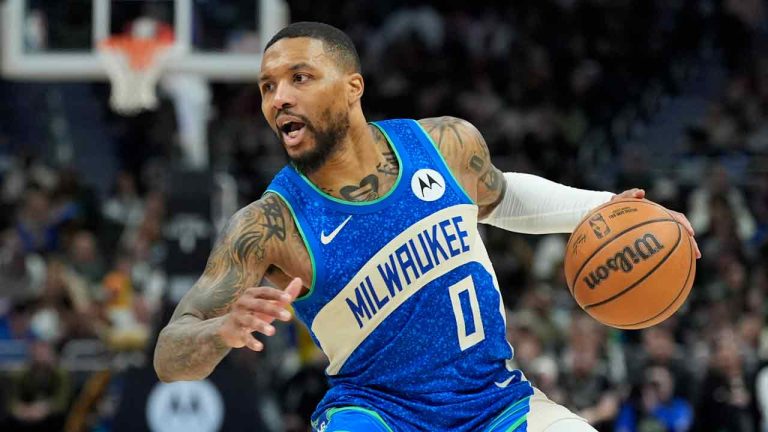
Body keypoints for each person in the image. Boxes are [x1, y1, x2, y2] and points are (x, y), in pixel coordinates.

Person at [153, 22, 700, 432]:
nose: (281, 98)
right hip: (378, 413)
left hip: (496, 402)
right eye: (268, 87)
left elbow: (503, 196)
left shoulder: (443, 144)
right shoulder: (269, 224)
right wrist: (217, 332)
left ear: (352, 87)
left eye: (300, 78)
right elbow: (170, 353)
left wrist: (608, 207)